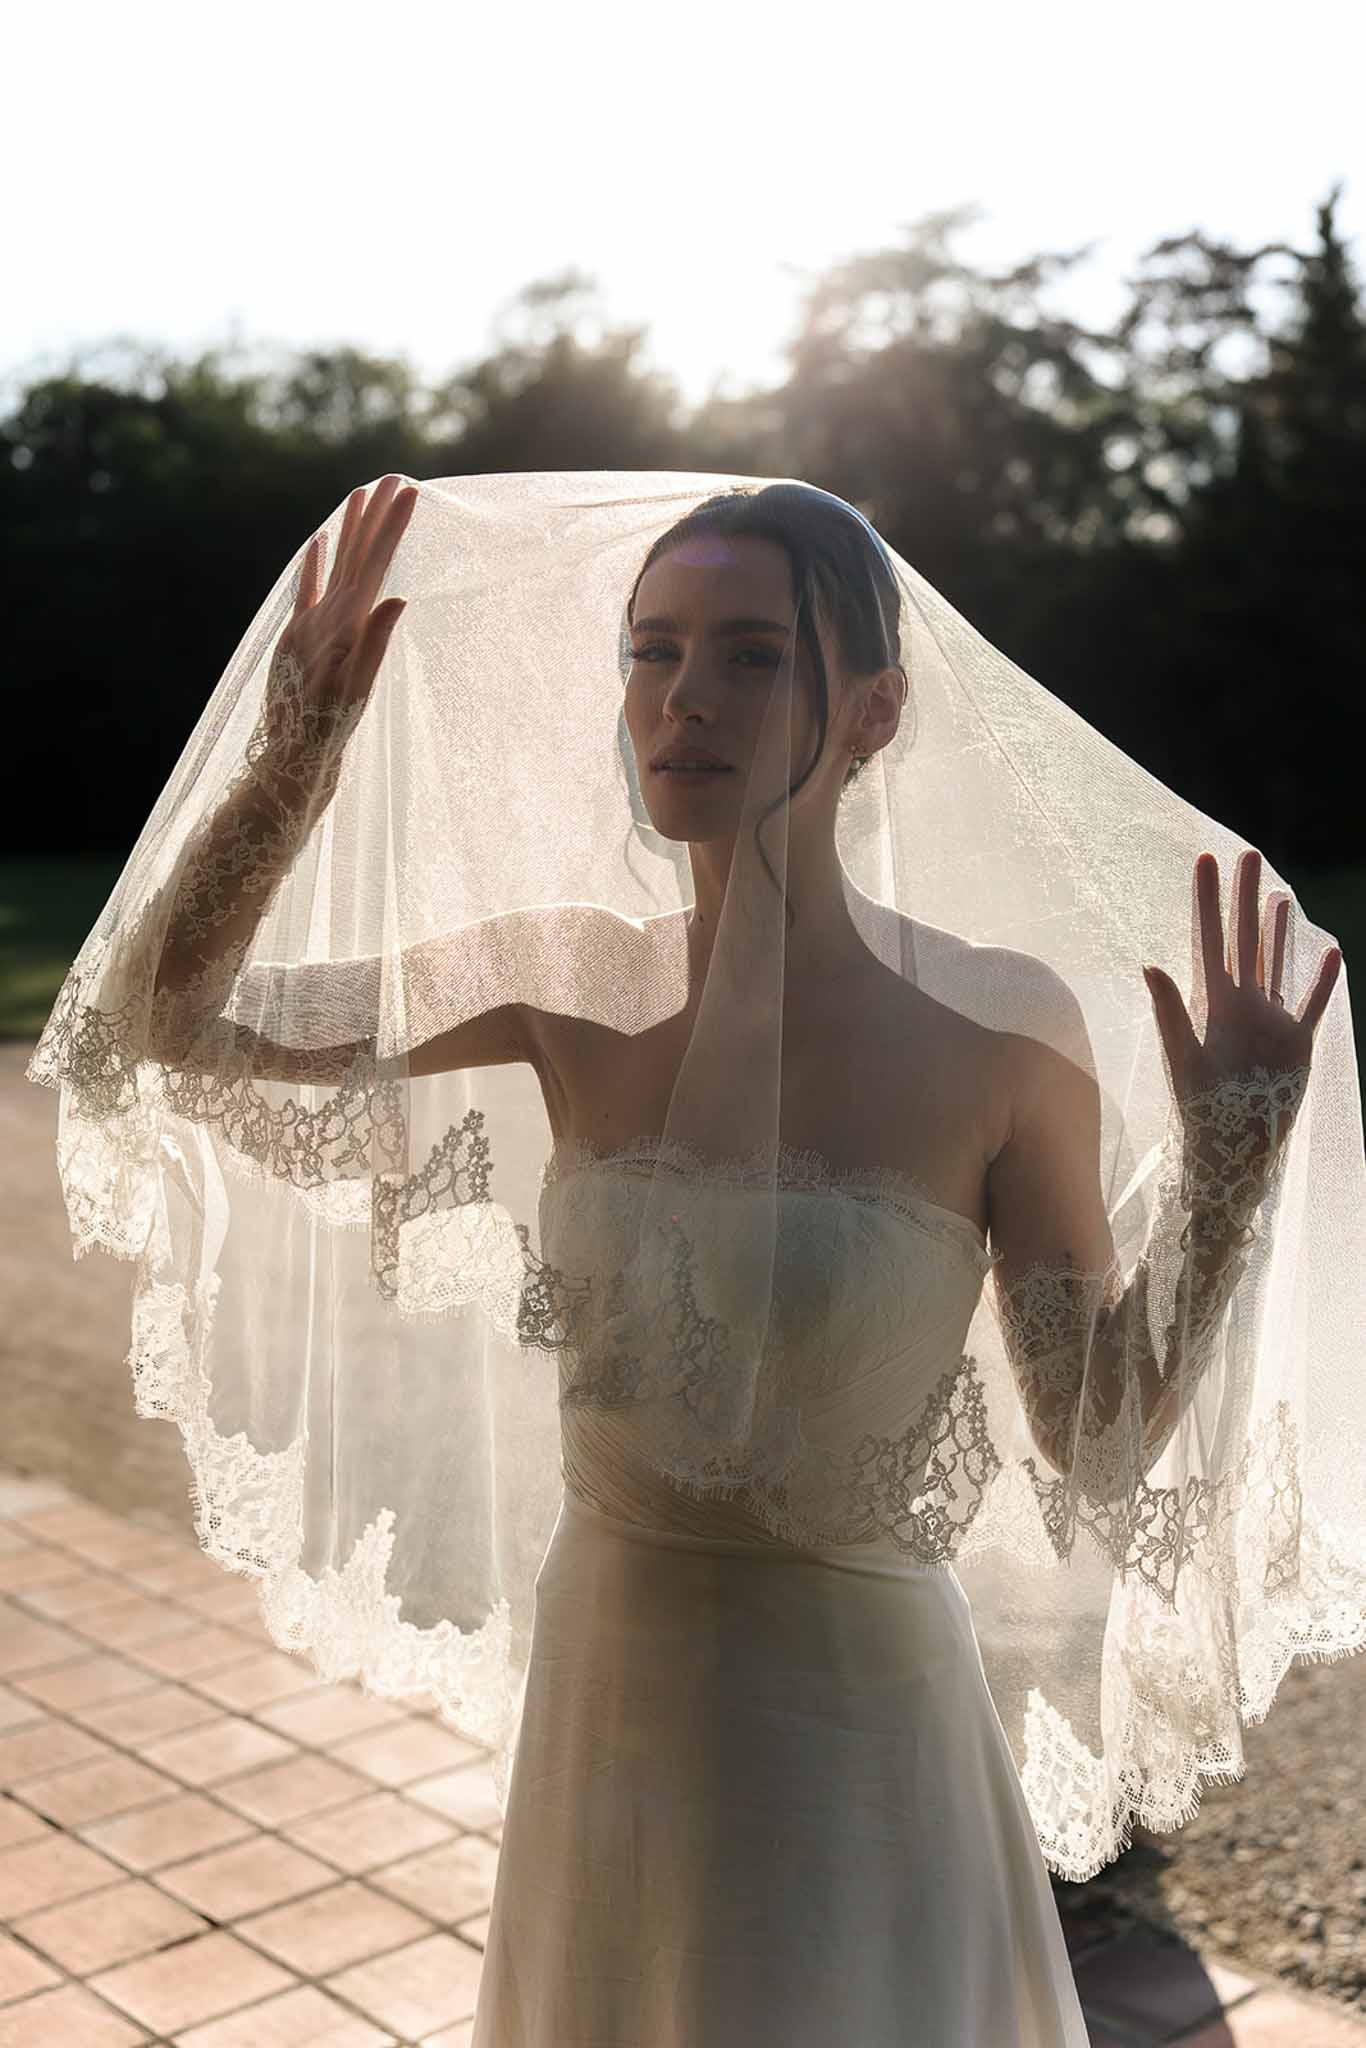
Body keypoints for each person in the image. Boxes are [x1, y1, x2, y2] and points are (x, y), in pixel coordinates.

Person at [28, 473, 1358, 2046]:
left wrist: (1220, 1183)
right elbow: (163, 1025)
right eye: (650, 653)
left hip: (858, 1724)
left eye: (748, 656)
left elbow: (1098, 1437)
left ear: (868, 714)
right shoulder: (562, 978)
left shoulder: (1000, 1040)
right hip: (616, 1678)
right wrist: (292, 756)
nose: (681, 702)